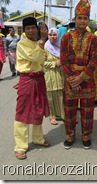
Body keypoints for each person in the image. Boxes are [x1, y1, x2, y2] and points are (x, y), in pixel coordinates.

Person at [60, 0, 97, 150]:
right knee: (69, 111)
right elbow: (63, 58)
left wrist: (81, 78)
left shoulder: (93, 39)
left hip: (87, 81)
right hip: (70, 81)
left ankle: (86, 136)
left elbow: (95, 60)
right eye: (80, 18)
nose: (82, 21)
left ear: (89, 20)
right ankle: (69, 136)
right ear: (75, 19)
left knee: (87, 111)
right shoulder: (67, 37)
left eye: (85, 18)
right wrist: (71, 78)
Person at [14, 17, 50, 160]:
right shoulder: (22, 44)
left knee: (38, 109)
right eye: (28, 28)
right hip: (27, 79)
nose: (31, 30)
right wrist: (42, 41)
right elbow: (35, 58)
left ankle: (38, 138)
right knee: (22, 112)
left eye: (33, 27)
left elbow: (42, 61)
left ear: (37, 28)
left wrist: (41, 43)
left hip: (39, 79)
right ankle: (20, 146)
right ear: (24, 30)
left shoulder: (39, 43)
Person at [44, 27, 65, 125]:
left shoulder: (61, 46)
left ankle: (63, 115)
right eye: (50, 35)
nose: (52, 37)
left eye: (54, 35)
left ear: (58, 35)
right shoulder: (45, 47)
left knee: (61, 95)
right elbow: (41, 62)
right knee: (51, 97)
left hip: (61, 75)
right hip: (50, 75)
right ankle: (52, 116)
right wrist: (53, 63)